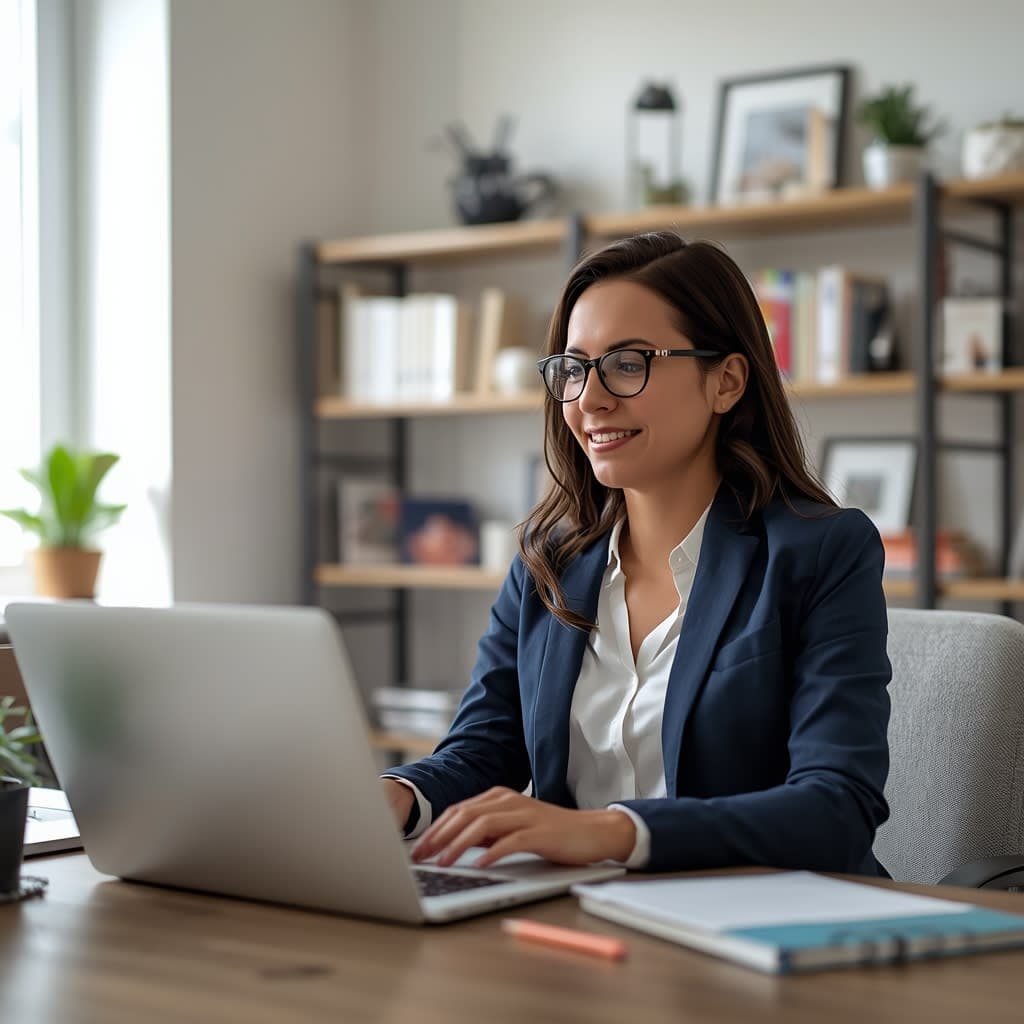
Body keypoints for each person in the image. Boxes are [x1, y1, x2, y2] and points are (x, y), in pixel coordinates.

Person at [381, 231, 891, 876]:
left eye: (628, 363)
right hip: (579, 912)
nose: (590, 399)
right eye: (573, 368)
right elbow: (485, 748)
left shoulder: (822, 552)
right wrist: (397, 796)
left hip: (759, 913)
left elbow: (836, 806)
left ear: (726, 382)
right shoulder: (548, 563)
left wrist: (612, 833)